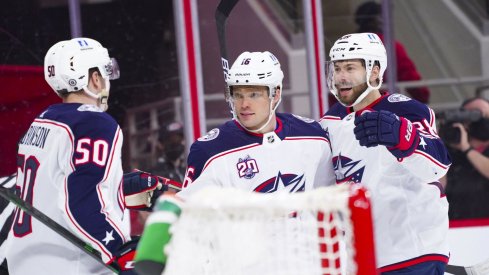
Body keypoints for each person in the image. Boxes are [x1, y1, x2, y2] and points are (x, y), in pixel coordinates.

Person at [134, 51, 336, 275]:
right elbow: (188, 213)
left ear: (276, 94)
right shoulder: (210, 150)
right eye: (237, 94)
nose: (244, 104)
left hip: (305, 266)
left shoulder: (312, 136)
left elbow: (327, 200)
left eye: (253, 94)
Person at [6, 38, 166, 275]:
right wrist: (116, 251)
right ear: (93, 78)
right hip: (71, 263)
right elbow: (80, 203)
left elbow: (60, 186)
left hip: (26, 260)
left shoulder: (43, 119)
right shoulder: (93, 123)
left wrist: (123, 187)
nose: (107, 80)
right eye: (104, 72)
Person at [320, 33, 451, 274]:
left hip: (412, 253)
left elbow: (438, 165)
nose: (341, 77)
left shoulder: (405, 109)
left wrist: (404, 137)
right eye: (337, 68)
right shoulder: (330, 122)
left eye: (350, 68)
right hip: (363, 259)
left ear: (374, 71)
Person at [354, 1, 431, 104]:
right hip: (385, 106)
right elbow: (409, 76)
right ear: (374, 20)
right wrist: (422, 96)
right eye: (383, 16)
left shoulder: (348, 46)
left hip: (354, 109)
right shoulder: (390, 46)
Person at [441, 97, 489, 220]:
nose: (483, 119)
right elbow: (437, 187)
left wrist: (467, 149)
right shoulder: (448, 150)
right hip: (457, 228)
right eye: (476, 114)